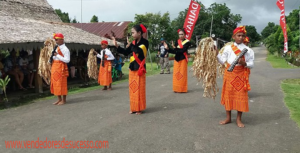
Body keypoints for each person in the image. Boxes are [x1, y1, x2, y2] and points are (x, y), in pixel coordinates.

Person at [216, 26, 254, 128]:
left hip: (241, 73)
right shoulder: (228, 48)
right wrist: (216, 53)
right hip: (230, 73)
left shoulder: (248, 50)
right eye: (238, 35)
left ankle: (238, 119)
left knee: (240, 96)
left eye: (243, 36)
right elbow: (222, 61)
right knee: (228, 95)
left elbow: (251, 64)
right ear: (234, 36)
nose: (241, 37)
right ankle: (228, 118)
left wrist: (244, 63)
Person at [112, 24, 148, 115]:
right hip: (132, 67)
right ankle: (133, 107)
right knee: (133, 88)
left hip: (140, 67)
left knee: (139, 88)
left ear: (139, 33)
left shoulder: (145, 42)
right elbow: (125, 52)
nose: (132, 35)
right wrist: (117, 46)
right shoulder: (133, 43)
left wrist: (130, 45)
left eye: (133, 33)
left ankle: (139, 108)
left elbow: (138, 51)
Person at [166, 28, 191, 93]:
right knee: (176, 74)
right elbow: (175, 51)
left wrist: (175, 49)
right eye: (179, 34)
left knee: (182, 75)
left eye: (182, 34)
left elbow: (182, 51)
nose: (180, 36)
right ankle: (176, 88)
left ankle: (182, 89)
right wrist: (168, 49)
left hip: (183, 59)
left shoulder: (187, 42)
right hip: (177, 59)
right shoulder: (177, 41)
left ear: (185, 35)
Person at [51, 33, 70, 105]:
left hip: (61, 68)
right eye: (55, 40)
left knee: (62, 83)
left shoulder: (65, 49)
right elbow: (54, 57)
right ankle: (59, 99)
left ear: (62, 40)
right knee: (56, 83)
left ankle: (64, 100)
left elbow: (67, 60)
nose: (56, 41)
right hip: (55, 67)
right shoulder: (56, 48)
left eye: (57, 40)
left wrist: (57, 55)